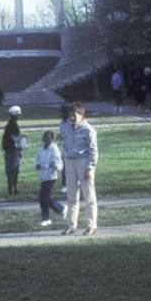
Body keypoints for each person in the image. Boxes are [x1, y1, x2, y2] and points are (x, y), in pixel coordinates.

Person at [61, 101, 99, 236]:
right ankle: (72, 225)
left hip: (83, 163)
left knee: (88, 196)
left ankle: (91, 225)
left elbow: (93, 150)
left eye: (74, 115)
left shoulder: (89, 130)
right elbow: (64, 141)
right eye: (70, 115)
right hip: (69, 162)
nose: (72, 118)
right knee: (71, 196)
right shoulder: (65, 127)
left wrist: (89, 168)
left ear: (81, 115)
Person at [34, 129, 65, 227]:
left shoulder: (54, 149)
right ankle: (61, 209)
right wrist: (37, 165)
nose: (45, 141)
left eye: (47, 140)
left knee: (43, 197)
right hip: (43, 176)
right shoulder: (40, 149)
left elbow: (60, 165)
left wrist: (55, 165)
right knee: (44, 198)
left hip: (51, 176)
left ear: (51, 139)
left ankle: (46, 218)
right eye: (44, 139)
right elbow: (36, 161)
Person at [1, 106, 26, 197]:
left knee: (10, 171)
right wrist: (21, 148)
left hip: (8, 151)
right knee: (14, 171)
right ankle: (13, 190)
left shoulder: (8, 125)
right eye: (18, 114)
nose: (19, 116)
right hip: (13, 151)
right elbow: (17, 139)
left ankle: (11, 190)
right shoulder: (14, 126)